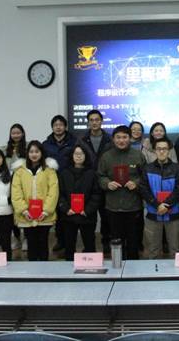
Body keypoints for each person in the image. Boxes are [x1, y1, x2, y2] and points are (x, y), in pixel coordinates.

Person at [98, 125, 145, 260]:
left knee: (133, 242)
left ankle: (133, 267)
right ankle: (117, 265)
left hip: (133, 206)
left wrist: (136, 183)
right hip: (113, 207)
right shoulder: (106, 156)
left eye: (124, 137)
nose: (121, 140)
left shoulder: (138, 155)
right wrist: (107, 183)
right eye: (118, 137)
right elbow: (100, 176)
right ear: (113, 139)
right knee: (116, 241)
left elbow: (145, 177)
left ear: (130, 138)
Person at [11, 141, 59, 261]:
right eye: (31, 151)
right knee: (31, 244)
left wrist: (46, 211)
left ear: (42, 153)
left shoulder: (49, 170)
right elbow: (16, 192)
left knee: (43, 243)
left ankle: (44, 269)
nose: (34, 154)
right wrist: (24, 210)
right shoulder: (19, 171)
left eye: (37, 151)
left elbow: (53, 192)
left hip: (44, 216)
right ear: (27, 153)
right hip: (27, 215)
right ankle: (32, 269)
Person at [139, 137, 179, 258]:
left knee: (175, 249)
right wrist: (157, 205)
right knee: (153, 250)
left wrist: (166, 205)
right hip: (153, 213)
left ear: (169, 151)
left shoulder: (177, 168)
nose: (162, 151)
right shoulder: (147, 168)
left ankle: (176, 271)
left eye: (165, 149)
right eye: (159, 149)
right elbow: (143, 189)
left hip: (173, 214)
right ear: (154, 151)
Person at [58, 145, 102, 261]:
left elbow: (96, 194)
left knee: (89, 245)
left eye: (81, 154)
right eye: (76, 154)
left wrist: (87, 210)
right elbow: (60, 194)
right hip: (69, 215)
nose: (78, 156)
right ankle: (69, 268)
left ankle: (91, 268)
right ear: (71, 156)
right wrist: (66, 208)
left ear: (86, 156)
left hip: (87, 215)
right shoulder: (64, 173)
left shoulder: (92, 173)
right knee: (69, 246)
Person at [42, 114, 77, 254]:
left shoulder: (74, 142)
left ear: (65, 126)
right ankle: (60, 240)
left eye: (61, 125)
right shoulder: (46, 144)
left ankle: (68, 242)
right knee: (56, 211)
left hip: (69, 181)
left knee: (66, 211)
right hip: (52, 182)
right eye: (55, 125)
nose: (58, 127)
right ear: (52, 127)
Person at [81, 109, 112, 253]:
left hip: (105, 182)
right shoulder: (82, 140)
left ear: (101, 121)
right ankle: (90, 246)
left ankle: (106, 241)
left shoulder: (109, 139)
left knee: (106, 216)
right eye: (91, 120)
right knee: (89, 216)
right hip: (89, 183)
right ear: (88, 122)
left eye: (97, 120)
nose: (94, 122)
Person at [2, 123, 27, 252]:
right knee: (12, 213)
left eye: (18, 132)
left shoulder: (28, 147)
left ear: (22, 134)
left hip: (25, 184)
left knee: (25, 210)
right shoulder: (4, 149)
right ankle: (17, 239)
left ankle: (26, 239)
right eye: (13, 133)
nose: (16, 135)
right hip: (9, 185)